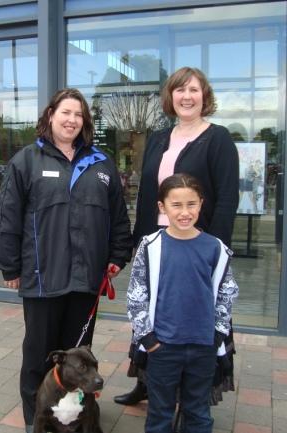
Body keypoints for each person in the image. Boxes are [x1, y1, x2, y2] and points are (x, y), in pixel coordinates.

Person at [0, 88, 133, 433]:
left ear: (84, 122)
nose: (72, 120)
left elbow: (118, 216)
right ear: (51, 115)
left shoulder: (101, 164)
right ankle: (36, 420)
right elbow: (9, 217)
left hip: (86, 279)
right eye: (65, 112)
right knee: (38, 355)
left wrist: (118, 254)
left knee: (79, 358)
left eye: (79, 114)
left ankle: (74, 415)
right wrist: (10, 266)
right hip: (43, 278)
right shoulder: (26, 160)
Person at [114, 66, 239, 406]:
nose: (187, 96)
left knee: (190, 311)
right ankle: (145, 381)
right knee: (151, 310)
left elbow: (227, 198)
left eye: (194, 90)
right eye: (180, 90)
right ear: (170, 97)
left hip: (195, 241)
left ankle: (191, 394)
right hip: (157, 240)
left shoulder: (218, 138)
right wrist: (137, 244)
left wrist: (216, 249)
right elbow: (146, 196)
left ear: (204, 96)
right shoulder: (158, 138)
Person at [127, 173, 239, 433]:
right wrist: (148, 338)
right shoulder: (150, 246)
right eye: (176, 205)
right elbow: (136, 294)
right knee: (159, 413)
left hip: (203, 347)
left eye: (191, 204)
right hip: (162, 347)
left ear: (201, 204)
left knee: (198, 412)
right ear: (162, 207)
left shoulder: (216, 248)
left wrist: (217, 335)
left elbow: (227, 292)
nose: (184, 212)